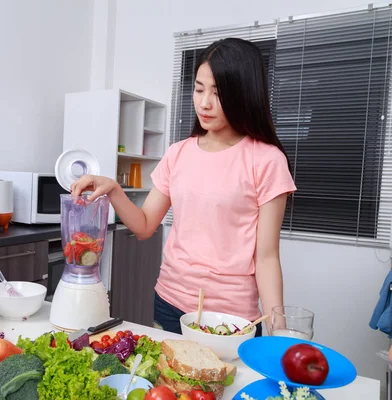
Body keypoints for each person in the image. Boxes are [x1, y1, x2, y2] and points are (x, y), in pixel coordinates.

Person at [70, 38, 297, 337]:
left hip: (231, 316)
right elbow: (145, 226)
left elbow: (266, 257)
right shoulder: (178, 153)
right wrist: (113, 189)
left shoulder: (267, 160)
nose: (204, 103)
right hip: (169, 301)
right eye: (199, 89)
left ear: (243, 95)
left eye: (218, 93)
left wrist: (277, 327)